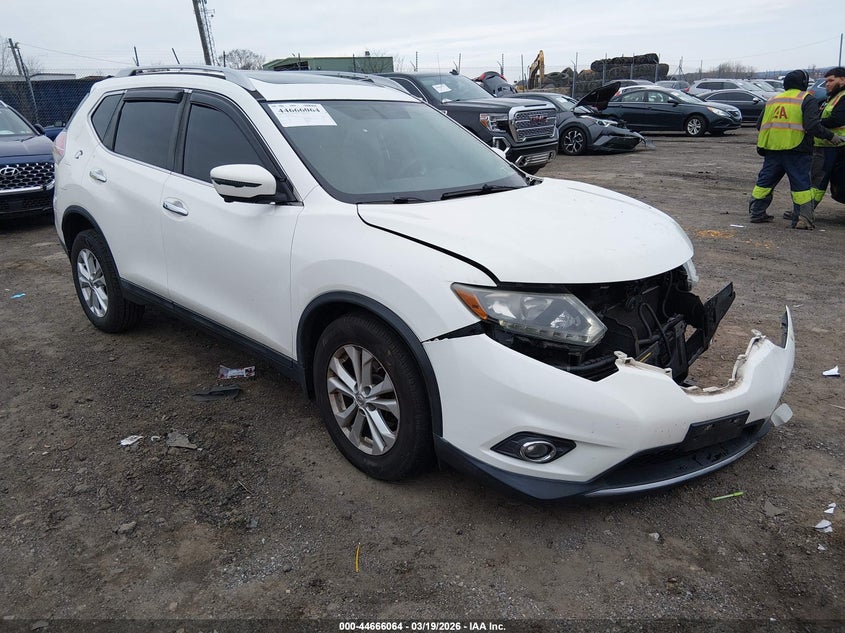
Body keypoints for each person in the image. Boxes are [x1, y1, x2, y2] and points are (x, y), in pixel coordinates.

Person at [748, 69, 844, 229]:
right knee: (801, 184)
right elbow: (812, 126)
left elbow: (760, 125)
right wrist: (831, 137)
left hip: (771, 148)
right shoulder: (806, 99)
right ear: (804, 84)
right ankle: (803, 219)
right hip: (796, 149)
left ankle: (757, 213)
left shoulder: (773, 99)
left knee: (764, 182)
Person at [809, 67, 845, 211]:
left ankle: (805, 210)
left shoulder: (843, 97)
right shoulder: (833, 97)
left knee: (818, 181)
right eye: (826, 81)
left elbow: (837, 119)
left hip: (833, 146)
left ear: (842, 80)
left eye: (831, 80)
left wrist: (815, 124)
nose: (827, 84)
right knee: (819, 180)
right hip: (826, 145)